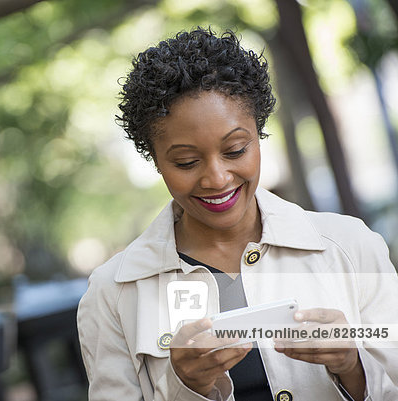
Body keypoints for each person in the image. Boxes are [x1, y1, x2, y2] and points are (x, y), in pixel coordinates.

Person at [77, 27, 398, 401]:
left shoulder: (350, 246)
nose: (217, 178)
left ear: (259, 134)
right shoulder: (113, 293)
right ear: (156, 161)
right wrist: (187, 388)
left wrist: (352, 365)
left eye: (235, 150)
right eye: (186, 161)